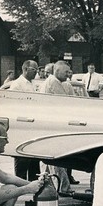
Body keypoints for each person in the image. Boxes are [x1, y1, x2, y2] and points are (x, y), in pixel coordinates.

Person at [42, 61, 75, 194]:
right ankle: (63, 187)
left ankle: (46, 185)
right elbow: (66, 103)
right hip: (53, 124)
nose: (68, 74)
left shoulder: (53, 82)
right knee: (56, 158)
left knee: (47, 160)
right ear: (57, 71)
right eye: (66, 72)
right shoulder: (53, 83)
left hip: (49, 123)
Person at [8, 60, 41, 180]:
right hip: (22, 125)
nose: (36, 72)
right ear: (25, 69)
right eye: (34, 70)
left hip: (33, 125)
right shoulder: (17, 85)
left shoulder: (32, 84)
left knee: (33, 158)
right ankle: (20, 184)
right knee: (22, 158)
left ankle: (34, 184)